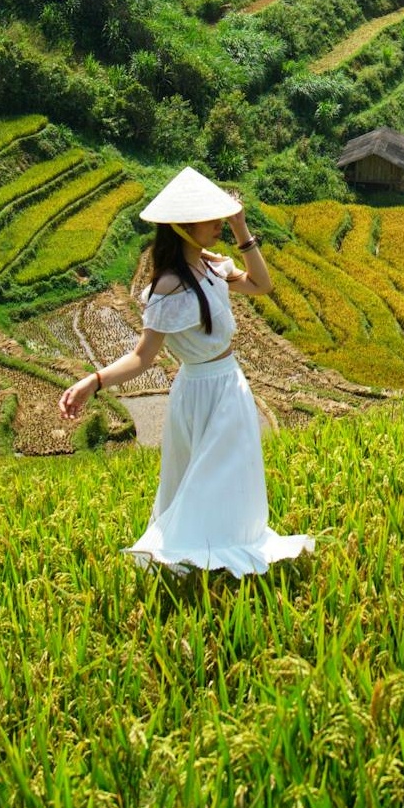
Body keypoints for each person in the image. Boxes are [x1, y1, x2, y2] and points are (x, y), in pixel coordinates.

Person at [58, 167, 313, 577]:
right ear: (182, 227)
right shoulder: (168, 288)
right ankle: (203, 558)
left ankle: (225, 553)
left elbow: (262, 284)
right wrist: (95, 380)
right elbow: (144, 356)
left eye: (219, 217)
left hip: (230, 385)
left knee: (233, 474)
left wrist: (242, 228)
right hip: (200, 391)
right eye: (209, 219)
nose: (217, 226)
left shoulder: (213, 267)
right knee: (202, 477)